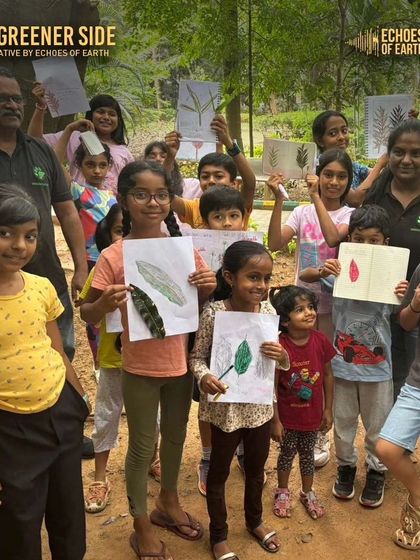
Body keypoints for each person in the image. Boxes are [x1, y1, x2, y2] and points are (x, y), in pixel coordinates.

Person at [80, 160, 216, 560]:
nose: (152, 202)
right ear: (124, 200)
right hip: (138, 367)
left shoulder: (184, 249)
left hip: (181, 364)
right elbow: (87, 311)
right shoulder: (114, 255)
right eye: (141, 194)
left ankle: (167, 503)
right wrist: (102, 303)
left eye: (160, 195)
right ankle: (140, 523)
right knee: (141, 446)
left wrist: (207, 286)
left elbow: (197, 304)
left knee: (174, 437)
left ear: (170, 200)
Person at [0, 183, 89, 560]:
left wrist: (79, 397)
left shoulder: (40, 287)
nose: (19, 245)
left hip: (60, 411)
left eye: (30, 236)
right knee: (20, 518)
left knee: (68, 509)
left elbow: (56, 346)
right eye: (5, 234)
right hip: (10, 426)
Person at [300, 205, 408, 507]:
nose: (365, 247)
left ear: (385, 244)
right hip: (342, 368)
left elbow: (405, 315)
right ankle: (345, 466)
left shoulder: (394, 280)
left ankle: (377, 470)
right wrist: (324, 269)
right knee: (344, 423)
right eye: (358, 239)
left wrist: (404, 293)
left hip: (378, 370)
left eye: (373, 241)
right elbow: (305, 274)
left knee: (377, 425)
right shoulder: (339, 272)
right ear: (349, 242)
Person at [190, 240, 284, 560]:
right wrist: (204, 377)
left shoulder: (269, 313)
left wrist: (281, 355)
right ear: (229, 278)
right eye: (253, 277)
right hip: (225, 411)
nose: (261, 285)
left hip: (258, 409)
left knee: (256, 471)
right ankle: (218, 536)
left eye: (267, 278)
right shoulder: (215, 313)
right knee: (218, 473)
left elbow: (276, 365)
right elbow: (197, 358)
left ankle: (254, 521)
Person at [0, 66, 87, 362]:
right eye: (2, 99)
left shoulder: (42, 151)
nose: (11, 105)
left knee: (61, 354)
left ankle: (61, 405)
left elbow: (68, 212)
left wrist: (80, 267)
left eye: (15, 99)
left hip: (48, 278)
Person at [194, 185, 246, 497]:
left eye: (233, 216)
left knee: (241, 394)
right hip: (209, 338)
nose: (226, 223)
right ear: (205, 222)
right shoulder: (197, 253)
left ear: (244, 218)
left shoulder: (251, 251)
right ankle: (208, 455)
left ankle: (239, 450)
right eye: (217, 217)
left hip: (242, 338)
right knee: (207, 401)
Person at [364, 119, 420, 400]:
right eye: (399, 152)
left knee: (410, 388)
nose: (406, 160)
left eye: (416, 153)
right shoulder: (375, 197)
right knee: (381, 387)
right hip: (375, 311)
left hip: (416, 313)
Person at [269, 285, 335, 520]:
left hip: (312, 415)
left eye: (310, 307)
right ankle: (282, 491)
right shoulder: (279, 347)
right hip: (287, 418)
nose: (308, 313)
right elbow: (273, 386)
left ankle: (307, 493)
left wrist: (328, 409)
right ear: (285, 321)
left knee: (307, 455)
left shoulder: (321, 341)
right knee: (286, 454)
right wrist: (275, 420)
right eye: (300, 309)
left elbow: (327, 374)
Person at [79, 205, 124, 513]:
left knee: (155, 416)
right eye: (122, 230)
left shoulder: (162, 263)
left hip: (152, 359)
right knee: (107, 414)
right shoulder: (104, 267)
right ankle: (99, 476)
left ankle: (154, 459)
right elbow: (86, 311)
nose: (128, 238)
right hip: (114, 358)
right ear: (108, 235)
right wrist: (103, 305)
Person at [376, 262, 420, 549]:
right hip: (418, 381)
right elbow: (405, 322)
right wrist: (416, 304)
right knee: (386, 449)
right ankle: (417, 496)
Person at [28, 84, 134, 193]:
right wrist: (41, 107)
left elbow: (131, 184)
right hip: (79, 205)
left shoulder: (124, 152)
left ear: (118, 120)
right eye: (100, 112)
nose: (106, 117)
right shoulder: (74, 137)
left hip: (113, 207)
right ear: (90, 115)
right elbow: (35, 142)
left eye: (112, 114)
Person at [165, 114, 256, 229]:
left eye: (218, 176)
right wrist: (170, 157)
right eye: (205, 176)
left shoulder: (239, 203)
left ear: (233, 183)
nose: (211, 181)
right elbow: (163, 194)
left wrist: (228, 143)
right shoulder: (194, 207)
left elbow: (250, 183)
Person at [312, 109, 389, 206]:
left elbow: (377, 174)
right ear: (320, 140)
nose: (341, 137)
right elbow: (355, 199)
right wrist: (381, 163)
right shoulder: (319, 166)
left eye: (344, 131)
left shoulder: (346, 163)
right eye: (333, 133)